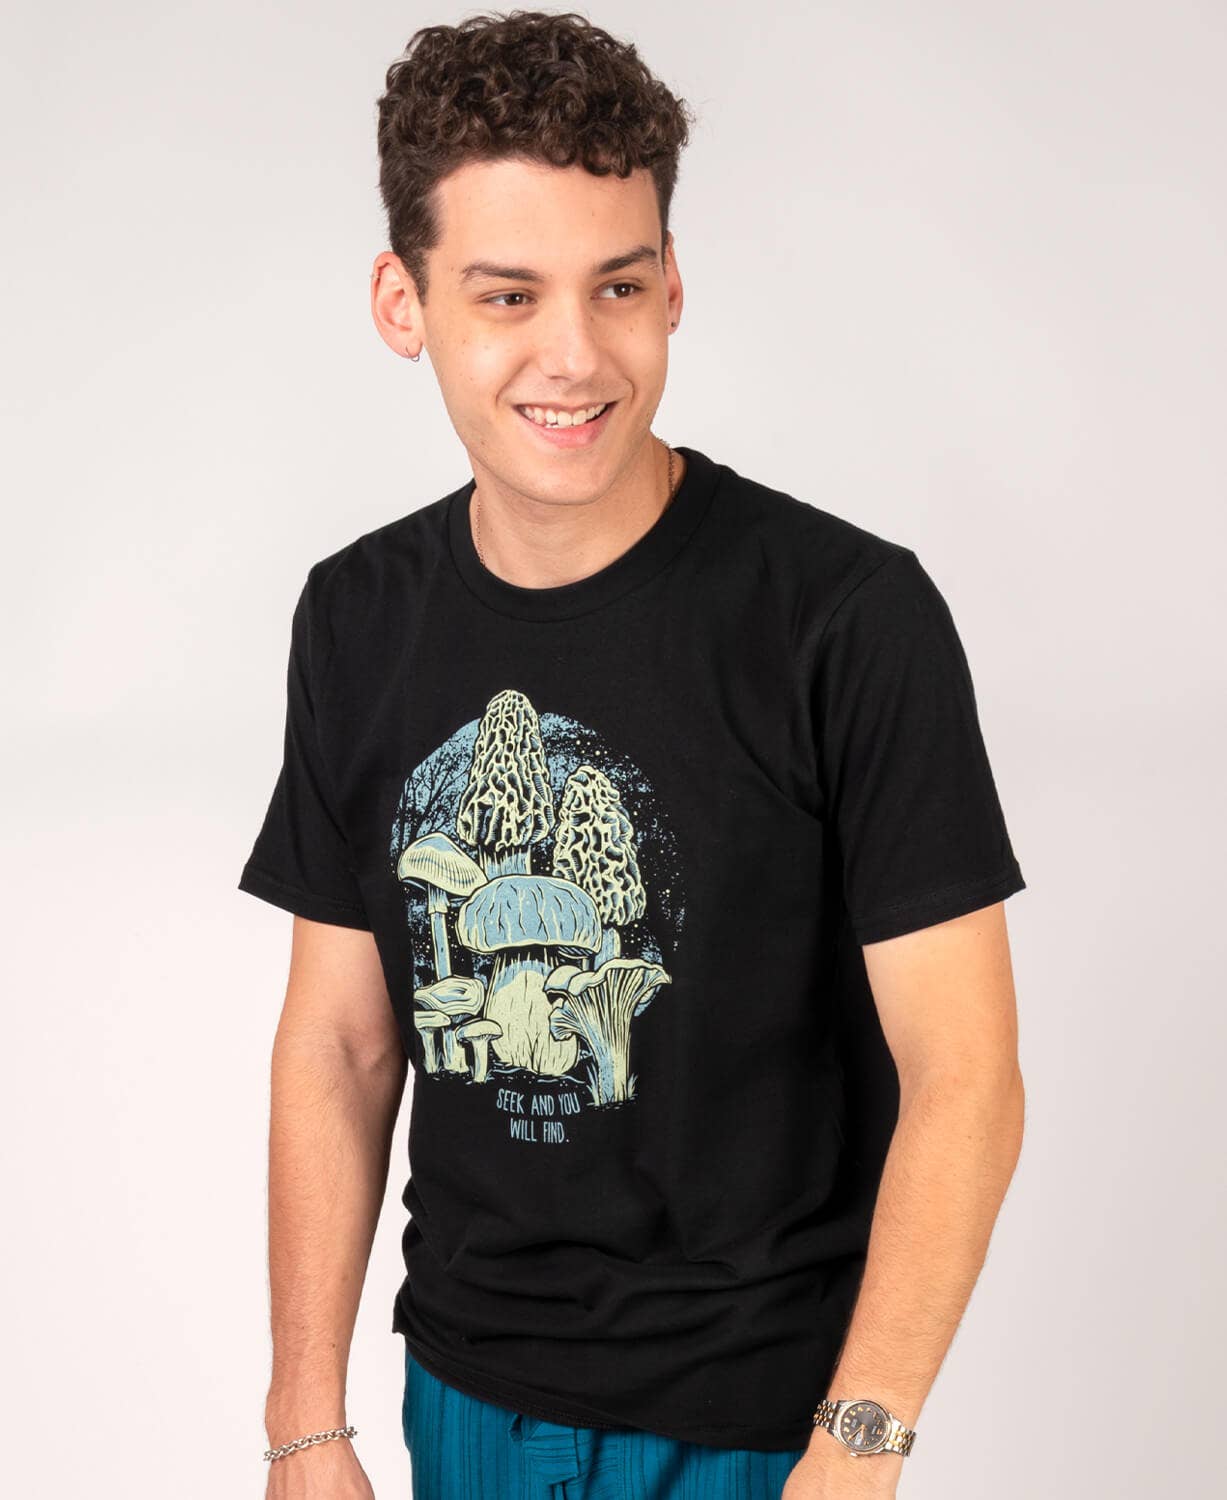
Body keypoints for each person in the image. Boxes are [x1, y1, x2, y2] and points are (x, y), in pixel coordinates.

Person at [240, 11, 1028, 1499]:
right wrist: (304, 1421)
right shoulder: (356, 616)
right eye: (508, 294)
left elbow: (969, 1073)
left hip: (762, 1423)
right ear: (404, 303)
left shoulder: (846, 617)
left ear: (673, 283)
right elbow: (339, 1043)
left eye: (617, 285)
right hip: (461, 1398)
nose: (576, 355)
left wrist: (861, 1442)